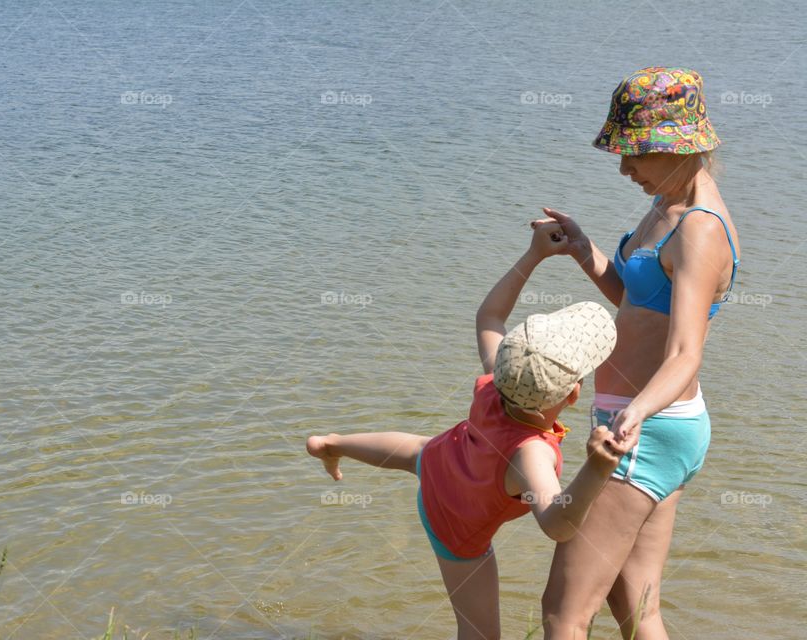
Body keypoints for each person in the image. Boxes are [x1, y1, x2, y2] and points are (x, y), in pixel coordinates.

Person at [307, 223, 626, 640]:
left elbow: (489, 315)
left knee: (418, 453)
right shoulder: (531, 453)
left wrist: (533, 255)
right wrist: (598, 467)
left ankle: (331, 443)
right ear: (573, 393)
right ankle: (334, 445)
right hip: (455, 522)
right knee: (479, 633)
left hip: (446, 457)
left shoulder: (499, 380)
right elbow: (557, 524)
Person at [533, 67, 741, 640]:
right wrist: (584, 250)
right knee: (636, 604)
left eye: (634, 153)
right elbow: (637, 299)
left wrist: (635, 414)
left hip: (647, 426)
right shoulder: (667, 205)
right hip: (650, 421)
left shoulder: (700, 229)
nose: (624, 168)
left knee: (563, 612)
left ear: (679, 145)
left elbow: (684, 352)